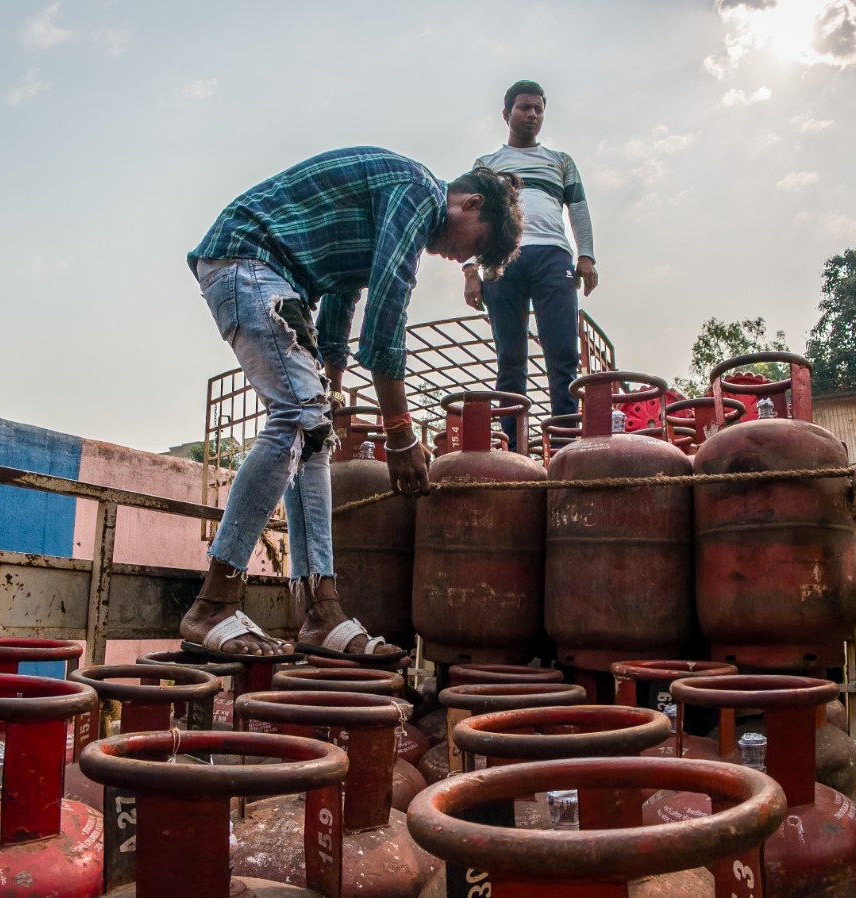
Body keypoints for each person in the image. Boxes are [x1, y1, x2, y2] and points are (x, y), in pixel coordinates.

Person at [183, 147, 523, 660]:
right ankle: (212, 603)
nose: (462, 260)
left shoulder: (398, 202)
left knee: (314, 435)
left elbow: (344, 294)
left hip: (274, 275)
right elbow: (387, 313)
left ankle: (322, 611)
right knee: (297, 420)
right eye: (477, 246)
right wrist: (401, 433)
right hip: (248, 259)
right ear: (470, 204)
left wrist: (331, 381)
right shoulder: (419, 192)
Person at [464, 80, 598, 447]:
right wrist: (470, 270)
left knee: (563, 353)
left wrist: (585, 255)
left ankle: (566, 442)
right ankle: (513, 446)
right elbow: (467, 218)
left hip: (553, 256)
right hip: (501, 261)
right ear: (507, 113)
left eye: (538, 108)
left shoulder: (561, 162)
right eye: (524, 107)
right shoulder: (487, 165)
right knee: (510, 358)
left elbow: (580, 211)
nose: (532, 114)